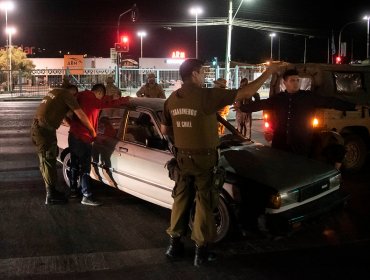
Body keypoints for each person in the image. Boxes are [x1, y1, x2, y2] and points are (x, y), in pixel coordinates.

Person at [160, 58, 279, 267]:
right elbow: (245, 93)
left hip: (182, 160)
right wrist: (269, 72)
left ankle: (174, 245)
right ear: (195, 74)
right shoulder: (206, 95)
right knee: (205, 203)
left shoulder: (172, 99)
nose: (205, 75)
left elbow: (164, 131)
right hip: (204, 160)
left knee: (180, 200)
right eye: (203, 72)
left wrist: (183, 135)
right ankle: (201, 252)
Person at [235, 68, 358, 168]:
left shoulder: (308, 97)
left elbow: (330, 101)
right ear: (285, 82)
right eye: (292, 80)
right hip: (280, 143)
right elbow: (261, 104)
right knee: (279, 169)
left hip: (302, 143)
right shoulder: (279, 98)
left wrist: (352, 106)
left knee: (299, 170)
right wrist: (243, 108)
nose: (296, 83)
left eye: (297, 80)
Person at [31, 87, 96, 205]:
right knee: (48, 161)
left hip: (41, 129)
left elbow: (64, 116)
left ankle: (53, 192)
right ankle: (50, 196)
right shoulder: (67, 95)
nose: (75, 98)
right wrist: (92, 130)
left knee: (48, 159)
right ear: (74, 92)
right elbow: (80, 114)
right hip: (44, 131)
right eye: (75, 96)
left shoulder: (55, 92)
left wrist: (70, 124)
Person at [68, 83, 130, 206]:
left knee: (74, 164)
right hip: (83, 138)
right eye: (102, 96)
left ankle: (73, 191)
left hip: (73, 135)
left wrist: (111, 97)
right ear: (100, 93)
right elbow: (106, 104)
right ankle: (86, 196)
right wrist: (126, 99)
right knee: (85, 169)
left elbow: (104, 101)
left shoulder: (82, 95)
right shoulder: (92, 99)